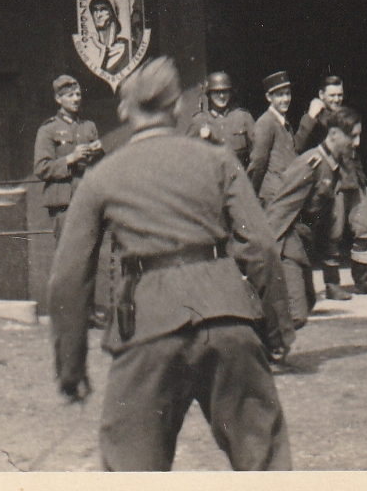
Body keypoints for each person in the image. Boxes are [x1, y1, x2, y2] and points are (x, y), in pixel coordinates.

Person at [48, 57, 293, 472]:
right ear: (177, 107)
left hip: (149, 328)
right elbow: (262, 247)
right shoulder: (217, 161)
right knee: (265, 463)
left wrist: (71, 368)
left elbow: (69, 279)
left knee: (131, 468)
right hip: (226, 318)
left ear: (125, 110)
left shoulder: (103, 176)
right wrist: (274, 330)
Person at [263, 107, 363, 329]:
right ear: (335, 134)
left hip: (302, 246)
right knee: (296, 313)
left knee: (307, 303)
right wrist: (264, 251)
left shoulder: (334, 166)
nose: (356, 143)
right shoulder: (312, 163)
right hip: (286, 244)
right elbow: (280, 206)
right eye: (352, 136)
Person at [295, 76, 367, 297]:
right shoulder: (315, 119)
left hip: (354, 177)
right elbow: (298, 145)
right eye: (331, 95)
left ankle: (362, 279)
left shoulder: (347, 116)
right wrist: (310, 116)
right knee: (333, 231)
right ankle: (332, 284)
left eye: (339, 95)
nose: (336, 99)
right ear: (321, 96)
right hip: (333, 181)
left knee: (364, 225)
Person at [33, 75, 104, 243]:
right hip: (64, 204)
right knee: (67, 256)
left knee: (91, 253)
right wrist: (70, 158)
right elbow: (41, 168)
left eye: (78, 94)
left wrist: (99, 153)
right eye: (70, 95)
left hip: (89, 200)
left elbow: (100, 167)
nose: (76, 99)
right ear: (58, 98)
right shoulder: (48, 130)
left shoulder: (89, 127)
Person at [183, 70, 255, 166]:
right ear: (209, 94)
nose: (222, 96)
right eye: (217, 92)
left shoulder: (243, 117)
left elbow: (257, 152)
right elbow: (187, 155)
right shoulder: (199, 121)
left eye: (225, 92)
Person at [246, 71, 297, 204]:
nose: (285, 99)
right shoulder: (266, 122)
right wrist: (252, 193)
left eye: (288, 93)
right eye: (280, 95)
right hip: (273, 195)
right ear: (269, 97)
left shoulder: (283, 120)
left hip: (285, 190)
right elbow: (258, 162)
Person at [84, 0, 131, 75]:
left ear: (113, 14)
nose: (98, 15)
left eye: (103, 9)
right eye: (95, 10)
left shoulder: (128, 48)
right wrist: (102, 49)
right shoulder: (89, 48)